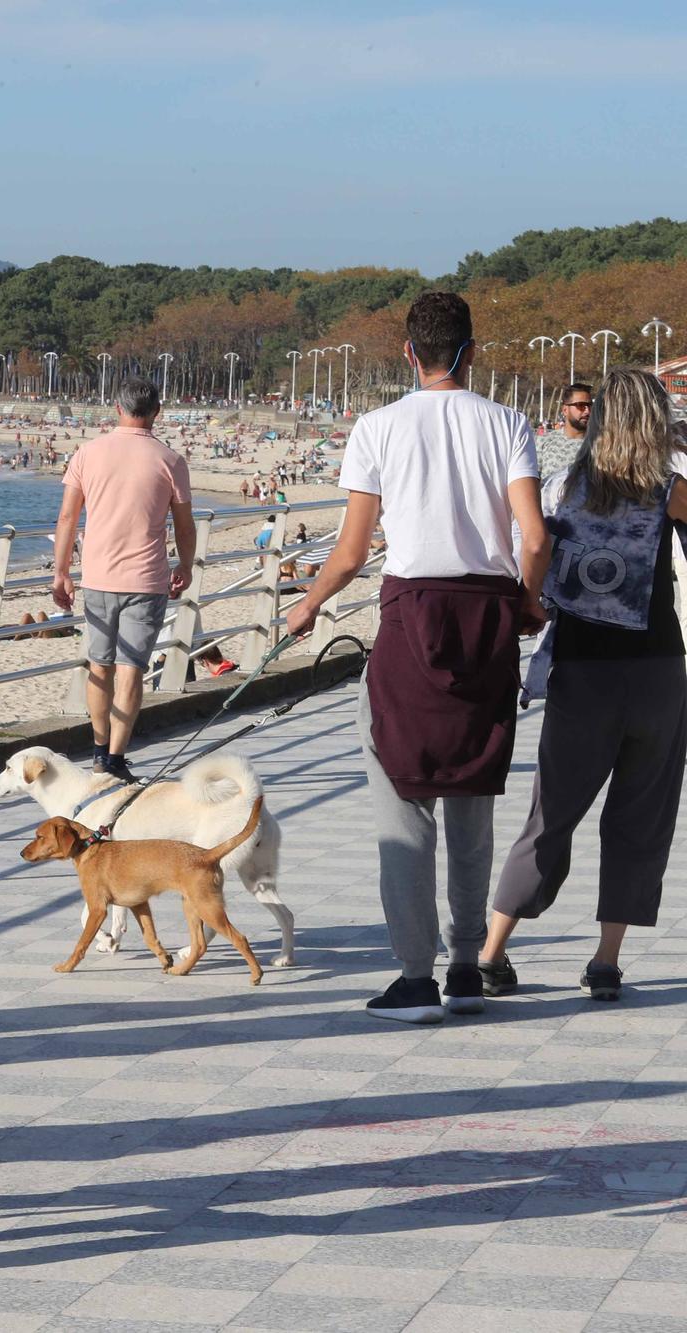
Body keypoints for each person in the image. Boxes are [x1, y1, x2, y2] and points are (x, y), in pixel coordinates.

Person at [286, 291, 549, 1024]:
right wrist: (528, 601)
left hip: (411, 616)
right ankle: (467, 966)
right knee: (471, 796)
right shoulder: (507, 422)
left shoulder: (376, 427)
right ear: (470, 352)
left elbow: (350, 549)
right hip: (489, 614)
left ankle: (413, 975)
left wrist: (307, 605)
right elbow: (533, 535)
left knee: (402, 805)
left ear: (410, 353)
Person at [482, 369, 687, 1002]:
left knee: (551, 814)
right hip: (656, 668)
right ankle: (605, 961)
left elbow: (535, 554)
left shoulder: (565, 485)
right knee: (641, 818)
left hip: (582, 670)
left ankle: (490, 953)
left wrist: (531, 605)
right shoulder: (671, 488)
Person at [51, 377, 195, 780]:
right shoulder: (170, 460)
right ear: (157, 412)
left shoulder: (87, 453)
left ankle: (98, 751)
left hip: (97, 576)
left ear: (117, 408)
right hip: (147, 579)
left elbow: (67, 517)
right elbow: (184, 525)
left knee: (99, 667)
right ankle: (116, 758)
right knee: (131, 669)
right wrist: (185, 564)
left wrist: (61, 571)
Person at [537, 382, 593, 481]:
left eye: (589, 405)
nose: (587, 411)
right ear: (565, 410)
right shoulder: (544, 441)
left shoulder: (602, 445)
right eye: (580, 405)